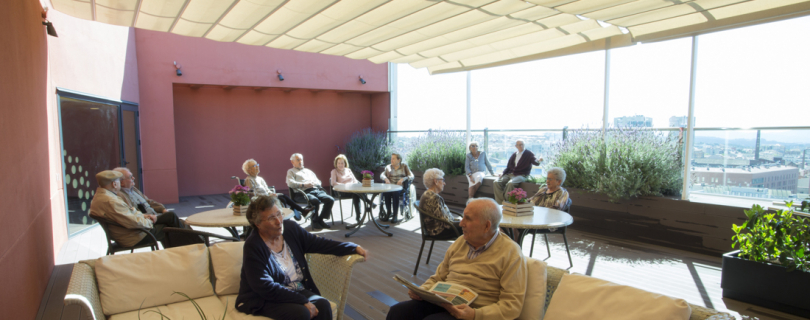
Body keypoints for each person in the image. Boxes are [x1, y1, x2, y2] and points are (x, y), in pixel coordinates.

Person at [387, 198, 528, 320]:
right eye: (463, 217)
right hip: (444, 302)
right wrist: (422, 291)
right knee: (398, 312)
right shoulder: (460, 242)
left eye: (468, 218)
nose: (461, 223)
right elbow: (438, 278)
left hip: (475, 312)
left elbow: (512, 305)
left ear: (486, 226)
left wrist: (475, 315)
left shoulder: (510, 252)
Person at [236, 195, 368, 320]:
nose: (278, 221)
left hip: (295, 289)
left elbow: (318, 243)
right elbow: (264, 286)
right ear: (258, 224)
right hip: (263, 298)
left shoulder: (290, 229)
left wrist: (351, 247)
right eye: (271, 218)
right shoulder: (254, 245)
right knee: (301, 313)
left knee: (323, 305)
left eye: (279, 214)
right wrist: (302, 301)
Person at [88, 170, 189, 248]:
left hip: (128, 233)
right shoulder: (111, 201)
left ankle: (187, 249)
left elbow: (129, 214)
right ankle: (192, 248)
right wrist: (150, 221)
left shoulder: (101, 197)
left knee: (171, 219)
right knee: (170, 227)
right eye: (119, 181)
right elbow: (133, 221)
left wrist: (146, 216)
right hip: (133, 236)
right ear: (114, 184)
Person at [242, 159, 313, 221]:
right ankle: (296, 213)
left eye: (257, 164)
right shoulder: (249, 180)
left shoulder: (260, 178)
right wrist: (268, 195)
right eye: (254, 166)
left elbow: (267, 189)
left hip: (267, 197)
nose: (257, 166)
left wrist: (271, 193)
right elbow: (252, 194)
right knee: (283, 199)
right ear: (249, 170)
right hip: (261, 200)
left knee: (283, 197)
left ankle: (299, 212)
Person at [286, 153, 334, 231]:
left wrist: (313, 183)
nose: (300, 161)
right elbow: (290, 183)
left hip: (315, 190)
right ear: (292, 162)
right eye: (298, 160)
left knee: (330, 199)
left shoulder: (308, 171)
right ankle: (314, 222)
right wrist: (304, 184)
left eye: (301, 159)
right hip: (302, 193)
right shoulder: (291, 171)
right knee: (315, 201)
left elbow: (319, 182)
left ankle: (320, 219)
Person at [493, 139, 542, 204]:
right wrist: (503, 173)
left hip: (521, 175)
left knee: (510, 183)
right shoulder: (514, 154)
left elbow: (536, 162)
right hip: (510, 174)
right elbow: (508, 167)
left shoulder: (529, 154)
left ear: (524, 145)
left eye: (522, 144)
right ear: (516, 146)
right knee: (496, 182)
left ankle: (507, 203)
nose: (520, 146)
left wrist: (539, 160)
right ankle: (500, 202)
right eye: (519, 145)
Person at [418, 168, 462, 237]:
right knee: (471, 228)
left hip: (433, 229)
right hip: (438, 231)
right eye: (443, 180)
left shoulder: (427, 194)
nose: (444, 183)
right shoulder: (434, 198)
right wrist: (462, 223)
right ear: (436, 181)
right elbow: (446, 224)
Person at [379, 153, 413, 223]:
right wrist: (385, 178)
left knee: (395, 193)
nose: (391, 160)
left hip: (400, 188)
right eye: (391, 158)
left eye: (393, 159)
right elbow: (382, 174)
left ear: (399, 160)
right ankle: (389, 212)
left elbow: (411, 176)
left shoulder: (404, 166)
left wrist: (403, 179)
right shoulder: (388, 167)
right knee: (386, 192)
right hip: (390, 187)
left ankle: (395, 215)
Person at [329, 154, 363, 222]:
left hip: (352, 190)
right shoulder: (334, 171)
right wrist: (344, 185)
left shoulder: (348, 170)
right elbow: (333, 182)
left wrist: (354, 184)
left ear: (345, 163)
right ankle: (368, 202)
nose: (340, 164)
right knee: (357, 194)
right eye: (339, 163)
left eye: (342, 163)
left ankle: (358, 217)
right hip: (341, 192)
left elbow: (355, 180)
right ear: (336, 163)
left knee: (356, 194)